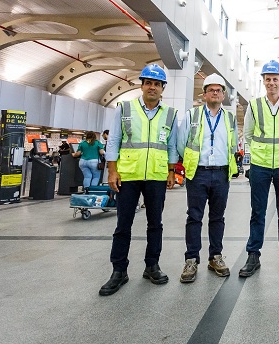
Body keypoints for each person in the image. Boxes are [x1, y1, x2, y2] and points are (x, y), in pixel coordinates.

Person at [99, 64, 178, 296]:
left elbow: (171, 146)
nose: (152, 87)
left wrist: (171, 171)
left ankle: (152, 265)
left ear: (163, 88)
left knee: (155, 224)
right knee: (123, 225)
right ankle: (119, 271)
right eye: (148, 83)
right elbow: (113, 141)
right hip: (128, 175)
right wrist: (112, 171)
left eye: (157, 84)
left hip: (156, 175)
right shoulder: (124, 108)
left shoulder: (170, 114)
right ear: (142, 85)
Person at [240, 60, 279, 277]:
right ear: (263, 81)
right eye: (268, 79)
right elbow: (248, 134)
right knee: (258, 212)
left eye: (275, 79)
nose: (271, 83)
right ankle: (253, 255)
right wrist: (261, 153)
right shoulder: (254, 105)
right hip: (260, 166)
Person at [177, 73, 238, 283]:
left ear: (223, 95)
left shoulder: (229, 118)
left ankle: (215, 257)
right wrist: (191, 162)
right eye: (211, 89)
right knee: (194, 216)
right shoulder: (192, 115)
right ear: (204, 94)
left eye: (218, 90)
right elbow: (180, 142)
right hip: (198, 172)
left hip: (221, 173)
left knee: (217, 217)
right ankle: (191, 259)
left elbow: (234, 144)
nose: (215, 93)